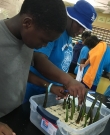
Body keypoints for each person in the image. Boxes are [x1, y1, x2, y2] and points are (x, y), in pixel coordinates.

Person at [0, 0, 67, 134]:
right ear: (27, 23)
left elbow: (20, 72)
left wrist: (49, 86)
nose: (44, 45)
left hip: (14, 114)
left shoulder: (27, 40)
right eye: (44, 40)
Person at [24, 0, 97, 104]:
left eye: (84, 28)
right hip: (33, 93)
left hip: (50, 94)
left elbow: (61, 65)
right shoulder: (55, 33)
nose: (81, 31)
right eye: (79, 25)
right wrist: (68, 80)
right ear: (70, 17)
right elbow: (38, 58)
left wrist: (65, 84)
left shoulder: (69, 37)